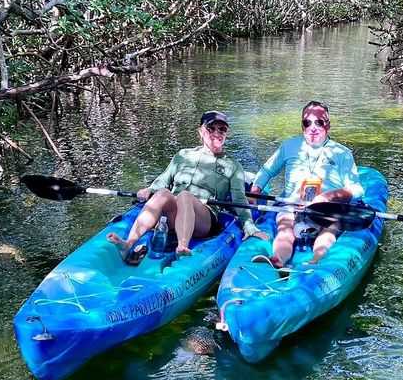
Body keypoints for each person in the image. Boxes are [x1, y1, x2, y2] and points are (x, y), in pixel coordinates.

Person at [108, 110, 268, 263]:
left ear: (226, 134)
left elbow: (239, 200)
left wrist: (249, 226)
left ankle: (182, 246)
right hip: (174, 213)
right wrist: (150, 190)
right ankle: (128, 243)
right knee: (163, 193)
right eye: (211, 128)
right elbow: (163, 180)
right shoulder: (183, 155)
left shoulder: (233, 166)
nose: (217, 133)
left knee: (185, 196)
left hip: (204, 219)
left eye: (222, 129)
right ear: (200, 131)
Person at [249, 100, 363, 267]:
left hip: (326, 209)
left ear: (328, 125)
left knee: (331, 226)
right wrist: (255, 190)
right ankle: (278, 259)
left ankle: (316, 260)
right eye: (307, 122)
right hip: (292, 204)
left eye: (319, 122)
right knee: (285, 228)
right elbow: (267, 171)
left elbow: (357, 189)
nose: (313, 127)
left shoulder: (342, 153)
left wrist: (329, 196)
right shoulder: (289, 146)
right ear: (302, 126)